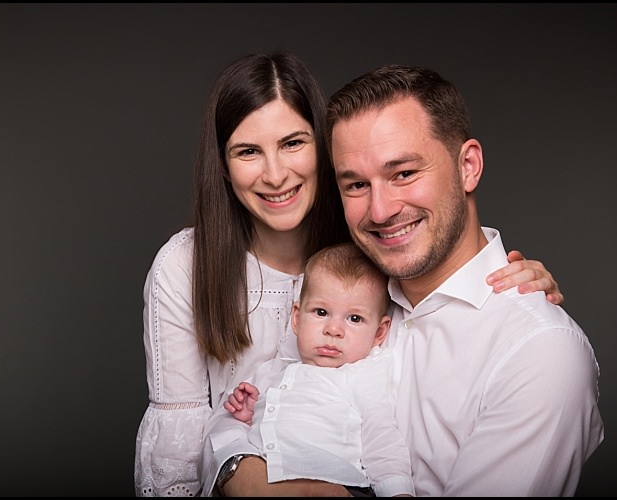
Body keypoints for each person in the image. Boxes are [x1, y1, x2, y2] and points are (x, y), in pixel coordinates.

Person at [134, 51, 565, 497]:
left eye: (293, 143)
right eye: (248, 151)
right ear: (223, 166)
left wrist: (510, 287)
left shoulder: (371, 241)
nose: (276, 174)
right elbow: (179, 452)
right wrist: (245, 477)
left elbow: (442, 266)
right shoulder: (189, 265)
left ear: (325, 153)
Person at [217, 242, 413, 497]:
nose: (333, 330)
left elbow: (382, 440)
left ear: (379, 332)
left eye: (354, 318)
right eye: (321, 312)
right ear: (297, 318)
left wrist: (398, 492)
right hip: (269, 482)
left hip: (338, 486)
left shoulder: (360, 377)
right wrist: (251, 413)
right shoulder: (275, 371)